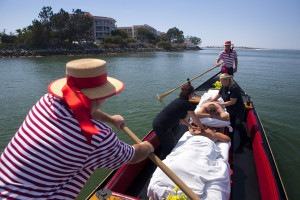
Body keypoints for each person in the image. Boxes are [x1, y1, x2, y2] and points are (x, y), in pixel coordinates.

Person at [0, 58, 154, 199]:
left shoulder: (46, 102)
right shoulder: (96, 136)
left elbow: (81, 108)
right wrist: (148, 146)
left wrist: (110, 119)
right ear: (101, 97)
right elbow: (133, 156)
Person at [152, 84, 205, 158]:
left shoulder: (178, 100)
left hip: (159, 123)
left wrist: (190, 126)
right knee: (168, 149)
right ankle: (161, 165)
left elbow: (181, 118)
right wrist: (202, 128)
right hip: (161, 126)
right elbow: (195, 119)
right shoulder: (187, 104)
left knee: (172, 142)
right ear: (190, 94)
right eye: (193, 93)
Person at [209, 73, 249, 148]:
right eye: (220, 81)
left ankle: (245, 139)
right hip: (230, 109)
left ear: (227, 80)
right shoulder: (224, 86)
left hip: (238, 109)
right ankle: (231, 139)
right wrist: (212, 101)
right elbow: (219, 95)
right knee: (231, 124)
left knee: (238, 124)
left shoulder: (234, 88)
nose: (221, 83)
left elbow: (232, 102)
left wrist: (220, 104)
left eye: (222, 81)